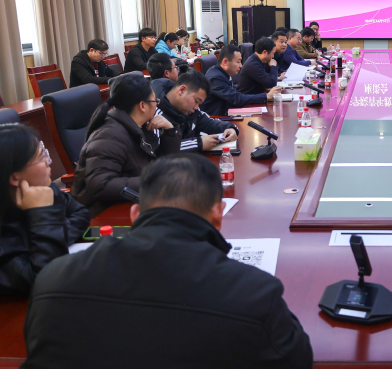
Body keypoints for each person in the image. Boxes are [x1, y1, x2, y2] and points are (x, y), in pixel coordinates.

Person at [24, 154, 313, 368]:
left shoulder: (53, 279)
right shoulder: (255, 293)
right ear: (218, 215)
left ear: (135, 215)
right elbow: (297, 359)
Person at [0, 124, 89, 295]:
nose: (50, 161)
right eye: (42, 157)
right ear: (14, 177)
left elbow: (80, 214)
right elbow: (46, 279)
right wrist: (43, 214)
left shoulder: (41, 188)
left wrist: (54, 238)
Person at [71, 74, 181, 214]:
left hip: (131, 202)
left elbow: (161, 166)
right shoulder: (109, 135)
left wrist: (170, 132)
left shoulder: (138, 126)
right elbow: (101, 185)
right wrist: (153, 180)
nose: (156, 104)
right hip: (103, 214)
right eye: (155, 100)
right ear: (142, 105)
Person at [157, 71, 238, 152]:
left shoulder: (191, 111)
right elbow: (160, 151)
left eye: (199, 104)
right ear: (182, 90)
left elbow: (209, 123)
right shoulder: (156, 114)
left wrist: (230, 128)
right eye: (196, 101)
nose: (196, 107)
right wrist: (198, 143)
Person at [200, 45, 282, 116]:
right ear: (225, 62)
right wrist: (266, 96)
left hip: (228, 112)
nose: (241, 65)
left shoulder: (220, 72)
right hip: (217, 118)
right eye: (238, 62)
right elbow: (237, 99)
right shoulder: (215, 78)